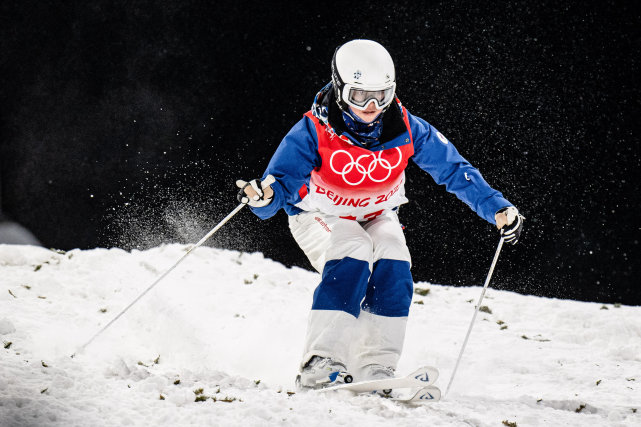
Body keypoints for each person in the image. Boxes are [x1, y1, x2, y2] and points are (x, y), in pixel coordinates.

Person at [236, 39, 524, 390]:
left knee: (394, 259)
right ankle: (320, 361)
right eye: (360, 96)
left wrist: (496, 207)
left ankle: (376, 366)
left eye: (382, 96)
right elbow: (277, 187)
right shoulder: (313, 131)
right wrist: (262, 197)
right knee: (354, 251)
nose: (372, 107)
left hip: (375, 212)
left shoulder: (406, 127)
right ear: (341, 90)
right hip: (318, 214)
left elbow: (452, 169)